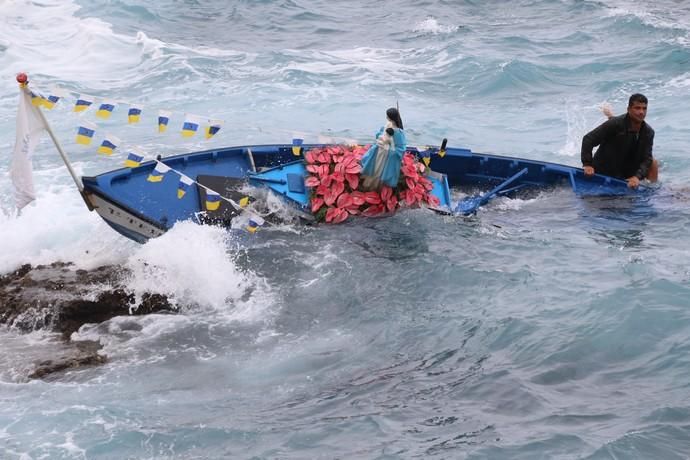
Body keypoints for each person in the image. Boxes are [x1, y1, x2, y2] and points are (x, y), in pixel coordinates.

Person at [581, 93, 658, 188]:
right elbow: (588, 139)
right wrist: (587, 164)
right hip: (605, 169)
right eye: (637, 108)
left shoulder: (648, 132)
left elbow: (647, 159)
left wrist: (636, 177)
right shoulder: (614, 124)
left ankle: (652, 190)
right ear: (628, 109)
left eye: (644, 108)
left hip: (626, 171)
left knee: (653, 163)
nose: (641, 112)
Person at [360, 107, 407, 191]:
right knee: (374, 168)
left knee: (379, 171)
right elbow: (379, 134)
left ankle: (376, 187)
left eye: (387, 116)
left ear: (391, 117)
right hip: (379, 151)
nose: (386, 117)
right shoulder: (387, 125)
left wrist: (390, 147)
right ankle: (369, 185)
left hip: (386, 155)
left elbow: (401, 148)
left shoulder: (399, 132)